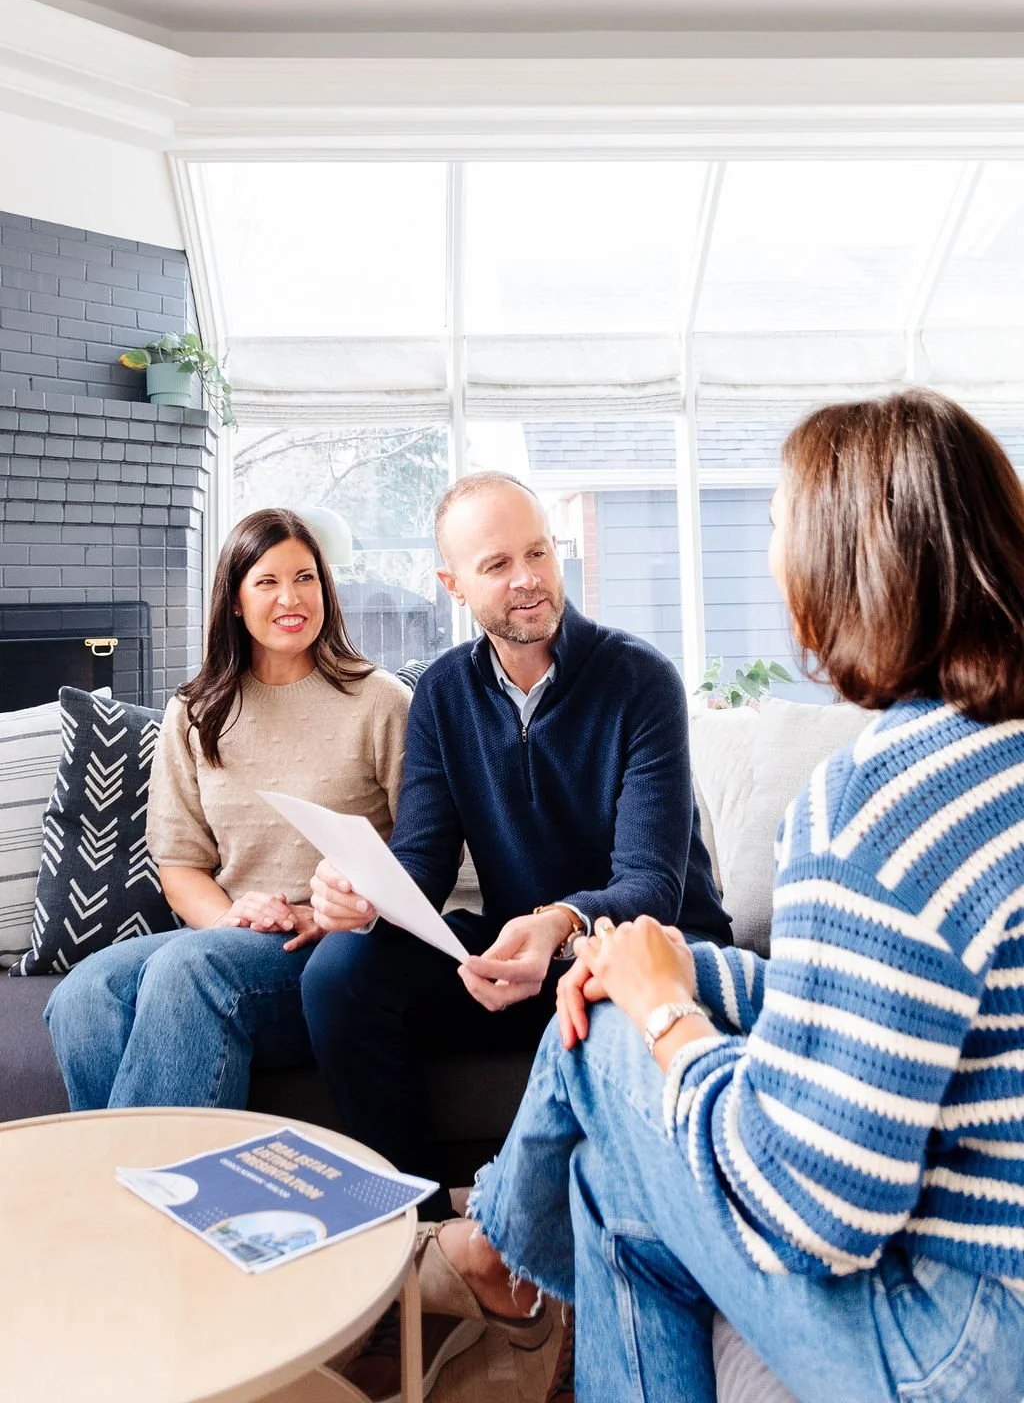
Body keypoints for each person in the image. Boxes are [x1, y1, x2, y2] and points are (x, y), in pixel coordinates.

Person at [414, 392, 1024, 1403]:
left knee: (610, 1054)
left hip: (961, 1337)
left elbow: (814, 1207)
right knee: (612, 1151)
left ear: (844, 565)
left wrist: (662, 1016)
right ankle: (499, 1252)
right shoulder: (989, 757)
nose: (772, 560)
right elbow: (888, 1011)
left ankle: (492, 1255)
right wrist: (687, 972)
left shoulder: (877, 801)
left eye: (780, 528)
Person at [301, 471, 730, 1396]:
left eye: (538, 552)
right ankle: (421, 1254)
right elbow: (420, 856)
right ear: (453, 584)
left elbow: (651, 884)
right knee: (340, 976)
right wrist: (359, 890)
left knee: (601, 992)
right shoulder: (445, 695)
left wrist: (555, 922)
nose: (528, 578)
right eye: (498, 564)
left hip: (640, 956)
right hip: (516, 959)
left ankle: (503, 1264)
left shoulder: (638, 680)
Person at [45, 508, 410, 1111]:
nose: (290, 598)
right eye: (266, 582)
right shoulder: (195, 712)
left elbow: (425, 849)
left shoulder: (381, 702)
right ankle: (131, 1188)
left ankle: (161, 1198)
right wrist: (230, 919)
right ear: (235, 600)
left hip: (336, 950)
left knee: (190, 969)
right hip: (233, 939)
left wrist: (335, 911)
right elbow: (181, 865)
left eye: (306, 577)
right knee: (86, 993)